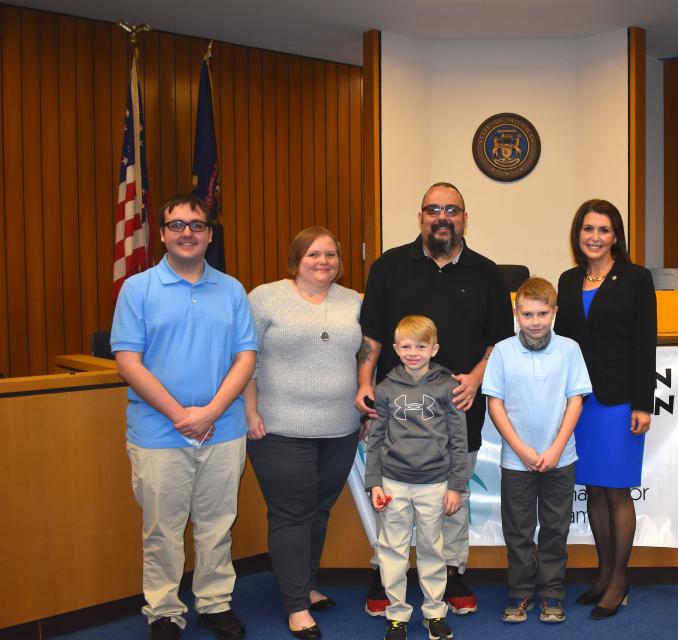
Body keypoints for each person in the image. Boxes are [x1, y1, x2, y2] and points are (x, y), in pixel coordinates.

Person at [356, 181, 514, 615]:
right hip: (398, 413)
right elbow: (371, 333)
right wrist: (365, 384)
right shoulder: (389, 266)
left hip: (458, 409)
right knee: (392, 496)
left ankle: (452, 570)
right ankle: (384, 571)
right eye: (433, 209)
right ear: (421, 217)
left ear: (464, 218)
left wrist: (478, 377)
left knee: (450, 498)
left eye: (452, 210)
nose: (442, 217)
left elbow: (500, 342)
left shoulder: (487, 273)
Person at [111, 194, 258, 640]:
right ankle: (164, 611)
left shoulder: (231, 289)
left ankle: (214, 603)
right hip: (159, 433)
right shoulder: (138, 289)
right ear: (162, 234)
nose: (187, 233)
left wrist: (211, 412)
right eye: (177, 225)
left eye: (196, 225)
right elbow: (128, 363)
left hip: (224, 429)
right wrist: (182, 415)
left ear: (210, 233)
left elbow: (246, 356)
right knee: (162, 531)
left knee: (217, 526)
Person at [243, 227, 362, 639]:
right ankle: (294, 606)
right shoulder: (265, 297)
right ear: (297, 258)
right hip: (279, 428)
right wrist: (250, 410)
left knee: (318, 510)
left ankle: (306, 586)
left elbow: (367, 358)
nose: (323, 261)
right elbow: (245, 357)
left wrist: (366, 413)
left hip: (341, 428)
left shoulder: (354, 301)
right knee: (291, 513)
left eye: (330, 253)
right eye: (313, 253)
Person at [554, 199, 658, 620]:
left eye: (603, 230)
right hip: (580, 400)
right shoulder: (567, 279)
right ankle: (601, 574)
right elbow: (561, 342)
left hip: (618, 401)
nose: (594, 237)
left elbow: (644, 342)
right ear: (577, 235)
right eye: (587, 229)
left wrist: (643, 403)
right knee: (593, 488)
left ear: (616, 236)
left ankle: (619, 579)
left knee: (616, 490)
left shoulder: (635, 279)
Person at [481, 277, 592, 624]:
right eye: (527, 314)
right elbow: (494, 404)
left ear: (554, 313)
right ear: (516, 314)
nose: (535, 321)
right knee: (518, 531)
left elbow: (575, 400)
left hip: (561, 458)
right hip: (517, 460)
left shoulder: (570, 349)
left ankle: (553, 594)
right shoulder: (501, 351)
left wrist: (557, 447)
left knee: (555, 530)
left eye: (542, 313)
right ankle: (520, 593)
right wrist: (522, 450)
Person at [365, 315, 468, 640]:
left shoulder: (447, 386)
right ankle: (397, 615)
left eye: (420, 346)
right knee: (392, 550)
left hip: (435, 484)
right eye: (406, 346)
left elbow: (458, 440)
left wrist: (455, 486)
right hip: (394, 483)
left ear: (434, 348)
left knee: (432, 549)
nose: (413, 352)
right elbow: (376, 439)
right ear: (395, 349)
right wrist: (374, 482)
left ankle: (434, 613)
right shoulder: (385, 389)